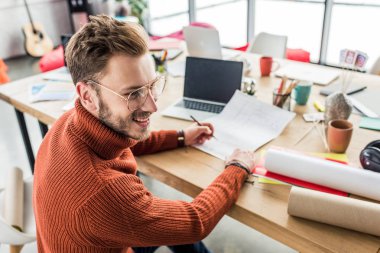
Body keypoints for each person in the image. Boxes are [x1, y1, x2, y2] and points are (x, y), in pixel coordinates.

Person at [33, 15, 255, 253]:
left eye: (152, 85)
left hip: (94, 239)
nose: (152, 106)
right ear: (87, 95)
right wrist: (237, 167)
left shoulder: (69, 123)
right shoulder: (106, 192)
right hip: (110, 230)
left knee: (169, 220)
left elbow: (124, 142)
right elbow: (196, 221)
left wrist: (181, 136)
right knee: (181, 225)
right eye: (134, 93)